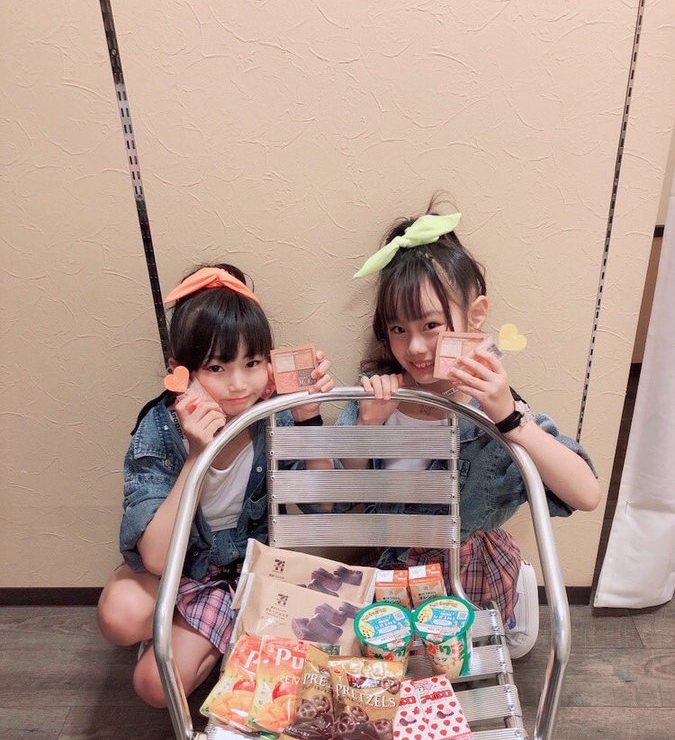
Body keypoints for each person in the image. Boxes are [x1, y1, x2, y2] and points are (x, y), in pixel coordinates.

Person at [338, 194, 601, 656]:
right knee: (388, 667)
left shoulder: (491, 410)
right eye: (398, 329)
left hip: (470, 569)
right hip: (392, 566)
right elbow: (342, 503)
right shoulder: (376, 399)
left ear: (475, 316)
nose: (414, 347)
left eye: (431, 325)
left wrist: (512, 421)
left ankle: (516, 590)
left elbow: (586, 493)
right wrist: (367, 429)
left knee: (461, 663)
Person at [97, 263, 334, 707]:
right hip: (180, 565)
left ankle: (214, 634)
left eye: (252, 363)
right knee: (119, 617)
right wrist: (195, 457)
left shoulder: (275, 415)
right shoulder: (160, 428)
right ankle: (200, 625)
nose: (239, 384)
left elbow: (323, 508)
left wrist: (309, 419)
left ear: (269, 362)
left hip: (245, 569)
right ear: (181, 373)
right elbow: (156, 559)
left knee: (154, 686)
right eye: (216, 367)